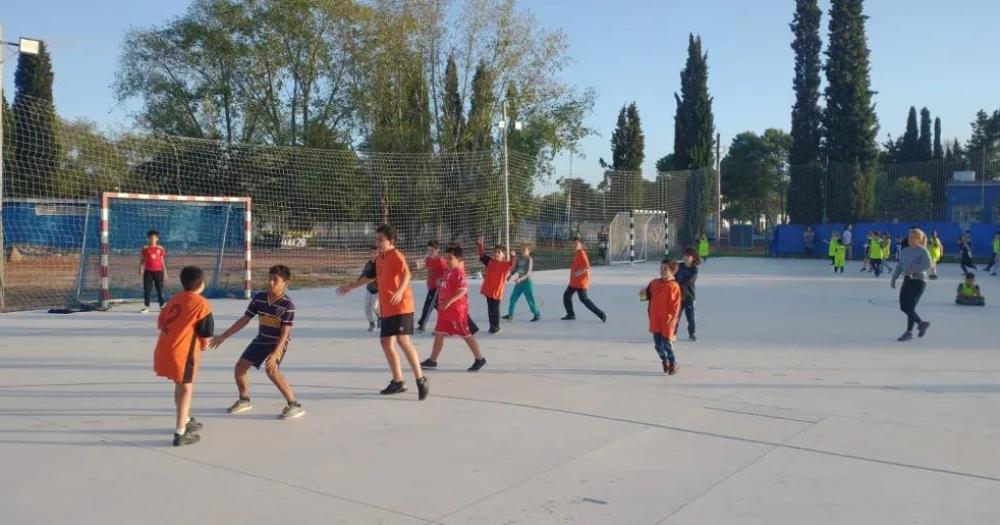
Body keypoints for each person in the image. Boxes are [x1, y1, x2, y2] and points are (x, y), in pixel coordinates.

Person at [337, 224, 429, 399]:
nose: (377, 242)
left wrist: (400, 291)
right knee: (386, 343)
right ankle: (398, 381)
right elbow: (368, 277)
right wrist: (350, 286)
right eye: (376, 239)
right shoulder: (379, 259)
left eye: (381, 240)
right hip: (387, 308)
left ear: (391, 241)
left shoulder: (396, 256)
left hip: (402, 306)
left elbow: (406, 275)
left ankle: (421, 379)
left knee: (403, 341)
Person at [212, 265, 305, 419]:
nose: (270, 283)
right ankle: (244, 400)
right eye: (269, 278)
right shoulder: (259, 298)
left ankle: (293, 404)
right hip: (261, 339)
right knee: (240, 367)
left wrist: (275, 354)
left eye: (275, 280)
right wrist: (223, 336)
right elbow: (245, 319)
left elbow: (285, 333)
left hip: (277, 342)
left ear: (285, 283)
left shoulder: (287, 305)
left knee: (272, 370)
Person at [153, 266, 214, 447]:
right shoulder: (201, 303)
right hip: (182, 352)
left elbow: (160, 322)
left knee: (180, 384)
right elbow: (206, 331)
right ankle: (180, 432)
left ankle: (185, 418)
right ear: (202, 284)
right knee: (187, 387)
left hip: (164, 348)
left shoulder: (174, 299)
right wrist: (204, 343)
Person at [420, 244, 487, 371]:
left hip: (456, 311)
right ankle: (432, 360)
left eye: (450, 258)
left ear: (459, 260)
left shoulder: (459, 272)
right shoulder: (448, 270)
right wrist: (441, 283)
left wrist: (448, 301)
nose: (447, 261)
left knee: (465, 334)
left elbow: (462, 290)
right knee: (439, 333)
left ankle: (479, 358)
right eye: (446, 258)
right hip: (444, 311)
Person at [642, 259, 682, 375]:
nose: (662, 271)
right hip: (656, 319)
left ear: (672, 271)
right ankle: (664, 361)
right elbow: (646, 296)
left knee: (666, 343)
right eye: (661, 268)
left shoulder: (674, 286)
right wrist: (642, 294)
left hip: (668, 320)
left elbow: (676, 306)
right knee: (658, 345)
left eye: (665, 269)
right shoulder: (654, 283)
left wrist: (673, 320)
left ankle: (673, 362)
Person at [891, 229, 933, 342]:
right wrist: (894, 277)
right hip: (907, 280)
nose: (910, 239)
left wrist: (915, 268)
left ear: (919, 239)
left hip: (919, 281)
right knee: (904, 306)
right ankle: (921, 323)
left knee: (910, 307)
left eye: (913, 237)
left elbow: (928, 264)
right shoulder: (905, 251)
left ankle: (909, 332)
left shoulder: (922, 251)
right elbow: (900, 265)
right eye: (909, 237)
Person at [561, 237, 607, 322]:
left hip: (580, 283)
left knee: (584, 299)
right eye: (573, 244)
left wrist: (577, 273)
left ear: (581, 245)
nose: (574, 246)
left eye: (576, 244)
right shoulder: (577, 253)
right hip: (574, 282)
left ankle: (601, 314)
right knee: (567, 296)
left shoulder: (582, 253)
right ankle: (571, 314)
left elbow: (586, 267)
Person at [477, 237, 514, 333]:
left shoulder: (504, 265)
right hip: (488, 289)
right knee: (490, 309)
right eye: (495, 252)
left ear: (503, 255)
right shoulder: (490, 261)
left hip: (497, 291)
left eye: (499, 252)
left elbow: (511, 264)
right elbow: (482, 256)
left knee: (495, 309)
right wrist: (480, 245)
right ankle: (491, 326)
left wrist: (512, 256)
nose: (496, 254)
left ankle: (496, 326)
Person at [502, 243, 542, 322]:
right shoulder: (518, 258)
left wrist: (520, 279)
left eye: (525, 250)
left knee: (530, 300)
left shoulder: (529, 259)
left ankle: (537, 314)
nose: (523, 251)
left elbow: (528, 273)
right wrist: (510, 275)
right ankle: (510, 315)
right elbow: (515, 268)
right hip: (519, 283)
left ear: (529, 251)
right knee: (512, 298)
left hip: (527, 283)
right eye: (522, 249)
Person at [417, 241, 447, 333]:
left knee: (428, 306)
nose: (430, 252)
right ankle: (447, 323)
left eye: (432, 250)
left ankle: (422, 325)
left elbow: (447, 273)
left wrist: (442, 284)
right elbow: (423, 267)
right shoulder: (428, 259)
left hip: (437, 289)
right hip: (431, 287)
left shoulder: (441, 261)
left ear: (437, 250)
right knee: (439, 308)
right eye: (428, 250)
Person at [674, 247, 700, 341]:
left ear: (693, 257)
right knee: (675, 316)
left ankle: (692, 334)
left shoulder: (694, 270)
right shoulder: (678, 266)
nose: (686, 257)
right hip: (678, 297)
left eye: (688, 255)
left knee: (690, 317)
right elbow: (672, 276)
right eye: (685, 255)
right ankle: (672, 334)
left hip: (689, 296)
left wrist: (677, 284)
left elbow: (688, 282)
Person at [140, 229, 167, 313]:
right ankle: (146, 306)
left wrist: (165, 271)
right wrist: (140, 268)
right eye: (151, 238)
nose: (152, 239)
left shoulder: (160, 248)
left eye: (154, 238)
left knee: (160, 289)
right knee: (147, 289)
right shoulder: (145, 248)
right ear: (148, 238)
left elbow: (162, 260)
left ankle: (162, 306)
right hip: (148, 272)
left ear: (157, 239)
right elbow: (142, 259)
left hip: (158, 271)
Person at [362, 246, 380, 332]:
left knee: (374, 307)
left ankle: (379, 316)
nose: (374, 255)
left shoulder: (380, 264)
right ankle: (371, 323)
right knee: (366, 308)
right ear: (369, 254)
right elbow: (364, 274)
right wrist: (357, 281)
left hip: (377, 290)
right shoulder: (368, 264)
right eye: (372, 253)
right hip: (369, 289)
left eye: (376, 253)